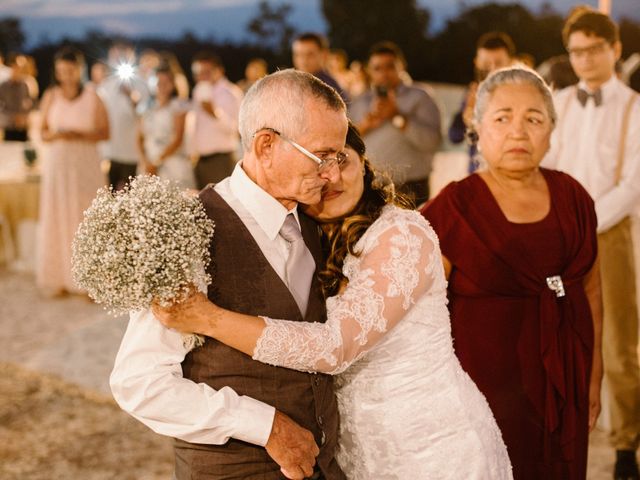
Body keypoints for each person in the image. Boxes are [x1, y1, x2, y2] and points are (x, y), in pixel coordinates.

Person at [151, 121, 514, 479]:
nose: (331, 178)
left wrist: (207, 319)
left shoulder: (401, 233)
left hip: (431, 446)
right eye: (317, 165)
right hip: (356, 455)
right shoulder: (305, 238)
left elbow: (335, 347)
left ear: (364, 162)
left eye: (343, 160)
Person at [111, 69, 348, 480]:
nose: (333, 174)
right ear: (266, 145)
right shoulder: (188, 231)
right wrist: (264, 425)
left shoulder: (313, 222)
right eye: (321, 156)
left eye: (338, 157)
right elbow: (139, 383)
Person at [421, 66, 603, 479]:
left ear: (551, 130)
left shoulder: (574, 197)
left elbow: (592, 289)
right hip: (485, 390)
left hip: (565, 377)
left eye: (533, 119)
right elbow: (419, 318)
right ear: (478, 127)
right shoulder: (452, 209)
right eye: (502, 118)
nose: (518, 132)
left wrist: (594, 373)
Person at [542, 9, 640, 479]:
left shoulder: (634, 107)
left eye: (592, 50)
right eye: (575, 52)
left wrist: (583, 222)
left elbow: (632, 184)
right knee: (559, 334)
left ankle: (625, 445)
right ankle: (564, 430)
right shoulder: (558, 101)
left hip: (609, 233)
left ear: (614, 50)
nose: (583, 59)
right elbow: (549, 165)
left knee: (619, 344)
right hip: (559, 234)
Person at [36, 47, 109, 296]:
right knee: (58, 215)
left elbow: (105, 132)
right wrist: (56, 134)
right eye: (61, 72)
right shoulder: (51, 95)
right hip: (59, 163)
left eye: (70, 70)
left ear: (79, 70)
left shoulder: (93, 96)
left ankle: (90, 283)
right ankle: (60, 278)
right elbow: (42, 133)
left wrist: (80, 134)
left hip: (85, 162)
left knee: (85, 218)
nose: (66, 76)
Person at [349, 41, 441, 206]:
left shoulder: (421, 97)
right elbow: (345, 144)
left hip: (412, 187)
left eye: (390, 66)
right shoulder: (360, 102)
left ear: (402, 66)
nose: (384, 73)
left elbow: (432, 142)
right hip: (372, 187)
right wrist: (365, 126)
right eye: (377, 68)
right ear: (370, 71)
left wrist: (397, 117)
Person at [448, 31, 516, 173]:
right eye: (485, 64)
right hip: (478, 176)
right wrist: (467, 114)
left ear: (511, 62)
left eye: (498, 63)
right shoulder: (473, 93)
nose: (492, 69)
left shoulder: (521, 95)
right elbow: (455, 137)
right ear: (476, 62)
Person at [98, 41, 149, 191]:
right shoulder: (105, 86)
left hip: (132, 153)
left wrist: (132, 98)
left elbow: (145, 115)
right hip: (110, 152)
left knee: (130, 198)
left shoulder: (141, 85)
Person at [190, 50, 243, 189]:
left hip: (221, 159)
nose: (201, 76)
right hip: (200, 159)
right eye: (198, 73)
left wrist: (214, 113)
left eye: (206, 72)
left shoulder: (231, 92)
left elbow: (237, 129)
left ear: (219, 70)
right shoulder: (198, 90)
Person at [138, 65, 195, 190]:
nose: (162, 86)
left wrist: (157, 162)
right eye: (158, 82)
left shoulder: (178, 107)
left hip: (172, 164)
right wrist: (145, 162)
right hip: (148, 163)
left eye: (166, 82)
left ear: (173, 84)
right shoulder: (145, 108)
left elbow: (178, 138)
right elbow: (140, 137)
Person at [292, 32, 349, 103]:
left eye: (310, 55)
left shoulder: (329, 88)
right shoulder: (291, 84)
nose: (303, 60)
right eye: (298, 55)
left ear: (324, 55)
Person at [0, 53, 34, 141]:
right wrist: (12, 117)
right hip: (8, 126)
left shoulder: (25, 85)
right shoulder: (4, 86)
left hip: (22, 126)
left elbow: (29, 102)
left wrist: (23, 116)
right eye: (15, 68)